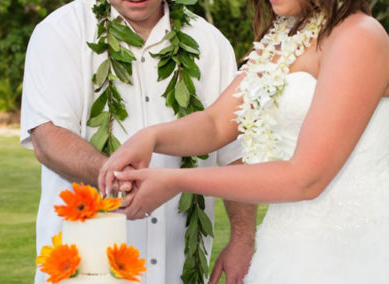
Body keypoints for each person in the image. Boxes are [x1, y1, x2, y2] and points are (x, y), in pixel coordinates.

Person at [99, 0, 389, 283]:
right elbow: (214, 124)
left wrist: (176, 181)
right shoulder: (286, 36)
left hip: (348, 250)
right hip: (287, 244)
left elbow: (306, 178)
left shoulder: (359, 36)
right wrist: (150, 137)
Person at [20, 0, 257, 283]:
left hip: (180, 266)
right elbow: (48, 140)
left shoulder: (209, 42)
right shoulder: (60, 31)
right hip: (85, 265)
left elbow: (236, 152)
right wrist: (120, 179)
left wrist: (242, 239)